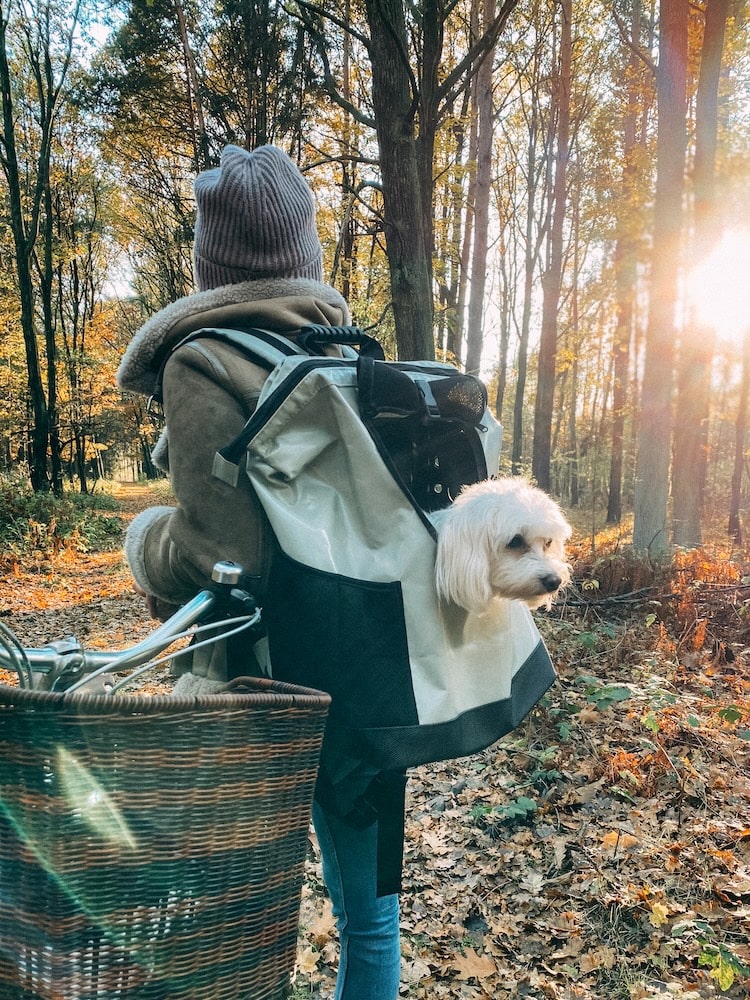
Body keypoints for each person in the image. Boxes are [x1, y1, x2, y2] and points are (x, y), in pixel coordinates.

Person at [117, 144, 401, 1000]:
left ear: (212, 261)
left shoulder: (200, 361)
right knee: (371, 919)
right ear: (305, 252)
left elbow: (222, 558)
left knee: (231, 920)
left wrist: (144, 538)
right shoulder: (356, 359)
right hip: (373, 677)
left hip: (258, 692)